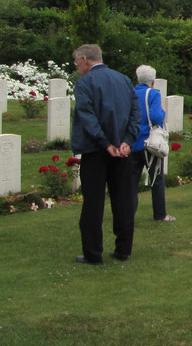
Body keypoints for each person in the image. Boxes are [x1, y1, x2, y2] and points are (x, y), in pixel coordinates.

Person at [71, 44, 141, 264]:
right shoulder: (124, 80)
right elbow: (135, 113)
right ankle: (123, 249)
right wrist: (127, 141)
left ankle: (93, 253)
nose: (76, 66)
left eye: (76, 62)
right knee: (123, 199)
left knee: (93, 202)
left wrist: (104, 142)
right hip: (122, 150)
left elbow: (86, 115)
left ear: (84, 59)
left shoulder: (84, 83)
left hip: (96, 150)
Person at [129, 65, 175, 223]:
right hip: (149, 143)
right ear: (153, 82)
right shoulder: (153, 94)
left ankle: (128, 215)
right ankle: (160, 215)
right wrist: (163, 110)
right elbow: (156, 116)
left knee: (132, 181)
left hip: (132, 142)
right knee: (156, 178)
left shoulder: (130, 93)